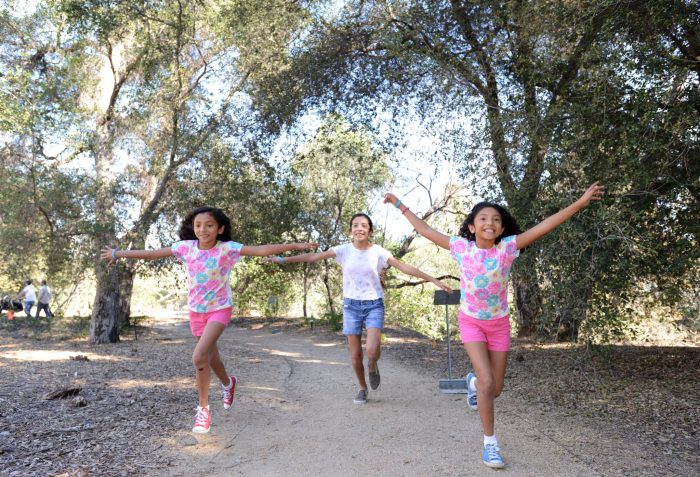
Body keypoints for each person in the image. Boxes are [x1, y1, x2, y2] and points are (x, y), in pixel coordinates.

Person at [384, 183, 604, 469]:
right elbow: (425, 230)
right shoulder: (461, 247)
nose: (490, 223)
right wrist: (400, 204)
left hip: (499, 325)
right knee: (489, 384)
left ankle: (472, 383)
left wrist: (580, 202)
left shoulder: (508, 249)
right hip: (471, 323)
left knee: (494, 389)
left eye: (496, 220)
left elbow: (545, 226)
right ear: (472, 227)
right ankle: (490, 444)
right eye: (483, 219)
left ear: (501, 229)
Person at [100, 206, 317, 434]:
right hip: (196, 311)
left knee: (199, 356)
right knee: (212, 357)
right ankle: (228, 383)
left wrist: (297, 246)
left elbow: (262, 250)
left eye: (209, 225)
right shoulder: (185, 248)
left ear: (220, 229)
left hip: (219, 309)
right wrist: (118, 254)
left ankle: (203, 410)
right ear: (193, 228)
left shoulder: (227, 249)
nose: (203, 230)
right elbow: (153, 253)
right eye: (198, 225)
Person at [269, 213, 452, 405]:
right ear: (350, 231)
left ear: (370, 230)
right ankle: (363, 388)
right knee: (355, 355)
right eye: (355, 225)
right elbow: (313, 257)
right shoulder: (343, 250)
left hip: (374, 304)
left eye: (364, 225)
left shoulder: (379, 252)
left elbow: (403, 266)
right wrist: (283, 260)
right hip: (351, 306)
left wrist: (433, 280)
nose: (359, 228)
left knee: (372, 351)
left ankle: (372, 365)